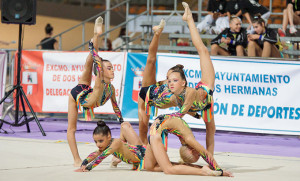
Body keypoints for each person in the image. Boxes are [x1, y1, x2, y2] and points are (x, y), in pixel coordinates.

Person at [75, 119, 232, 176]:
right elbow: (95, 153)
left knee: (166, 167)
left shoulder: (114, 143)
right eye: (96, 142)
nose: (98, 145)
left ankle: (205, 170)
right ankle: (205, 169)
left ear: (108, 136)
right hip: (138, 151)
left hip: (143, 156)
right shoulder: (110, 144)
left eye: (100, 141)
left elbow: (100, 157)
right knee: (125, 126)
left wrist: (87, 169)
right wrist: (83, 164)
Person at [67, 16, 124, 167]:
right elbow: (96, 59)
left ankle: (119, 155)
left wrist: (122, 121)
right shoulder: (99, 81)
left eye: (112, 67)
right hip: (78, 95)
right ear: (101, 71)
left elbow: (115, 107)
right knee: (71, 129)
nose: (113, 70)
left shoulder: (110, 89)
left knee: (125, 126)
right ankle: (76, 159)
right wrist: (95, 42)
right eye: (109, 68)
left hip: (86, 89)